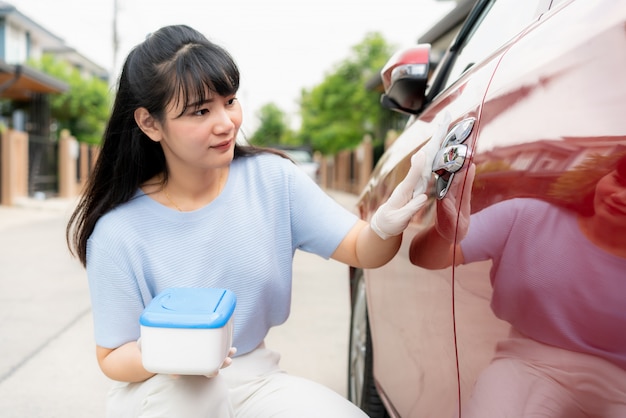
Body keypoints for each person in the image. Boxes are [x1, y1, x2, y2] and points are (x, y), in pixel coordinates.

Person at [66, 24, 429, 418]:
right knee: (190, 399)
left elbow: (361, 248)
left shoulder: (272, 180)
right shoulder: (118, 230)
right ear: (150, 123)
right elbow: (113, 355)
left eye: (230, 101)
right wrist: (174, 353)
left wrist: (385, 226)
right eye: (200, 111)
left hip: (251, 378)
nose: (225, 122)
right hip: (161, 389)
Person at [409, 154, 626, 418]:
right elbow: (424, 257)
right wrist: (444, 233)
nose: (621, 197)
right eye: (619, 180)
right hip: (528, 364)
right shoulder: (528, 217)